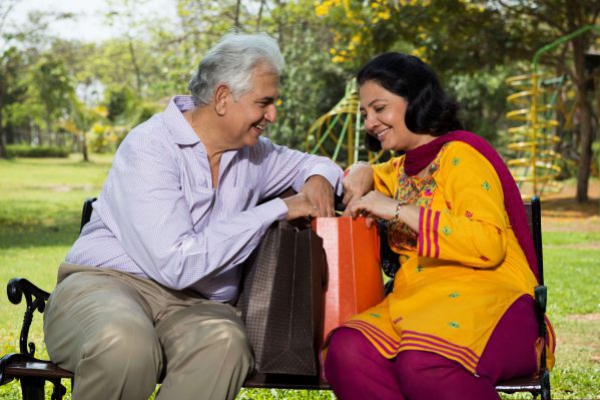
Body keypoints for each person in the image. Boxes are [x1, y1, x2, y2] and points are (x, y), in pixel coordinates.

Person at [42, 32, 343, 400]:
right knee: (125, 345)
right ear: (222, 97)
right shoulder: (151, 145)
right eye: (264, 102)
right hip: (109, 284)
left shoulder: (255, 154)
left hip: (196, 306)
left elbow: (319, 165)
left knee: (225, 345)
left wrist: (321, 178)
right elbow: (176, 263)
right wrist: (279, 208)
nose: (272, 115)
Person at [322, 53, 555, 400]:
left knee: (425, 362)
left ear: (416, 100)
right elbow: (367, 174)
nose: (369, 122)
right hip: (418, 304)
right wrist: (361, 169)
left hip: (491, 301)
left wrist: (397, 209)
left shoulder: (464, 156)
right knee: (348, 352)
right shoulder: (400, 169)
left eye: (379, 108)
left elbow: (488, 243)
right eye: (365, 113)